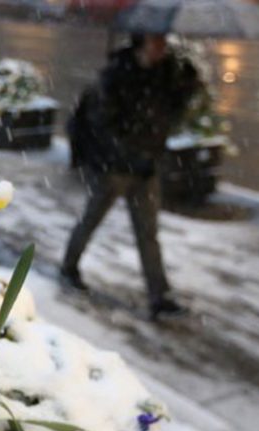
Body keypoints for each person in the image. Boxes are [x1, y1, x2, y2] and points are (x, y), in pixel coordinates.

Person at [60, 32, 200, 320]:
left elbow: (174, 112)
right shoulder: (116, 76)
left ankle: (159, 297)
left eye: (164, 41)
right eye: (156, 41)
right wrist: (126, 154)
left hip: (146, 168)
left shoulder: (164, 75)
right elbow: (102, 125)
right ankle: (69, 267)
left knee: (148, 234)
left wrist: (188, 77)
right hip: (114, 170)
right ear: (141, 43)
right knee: (91, 219)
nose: (162, 46)